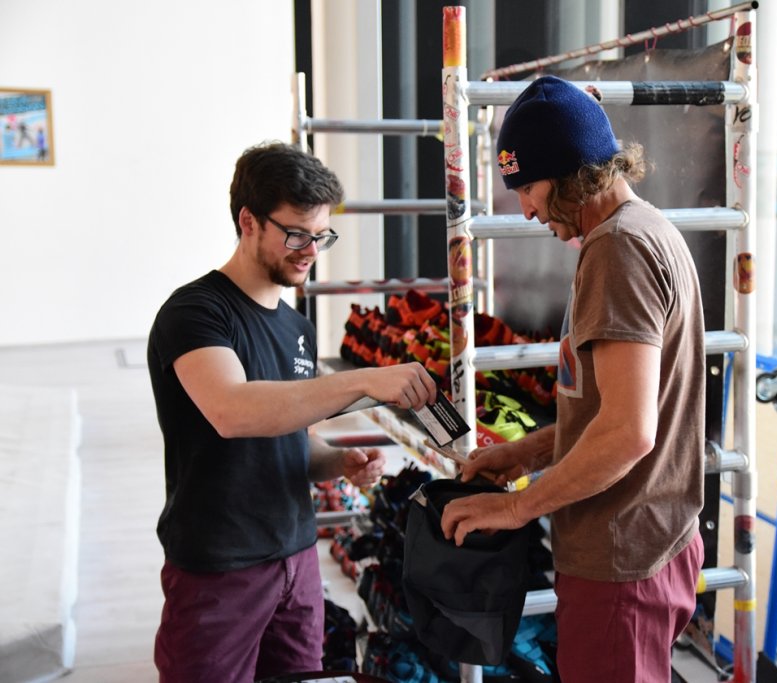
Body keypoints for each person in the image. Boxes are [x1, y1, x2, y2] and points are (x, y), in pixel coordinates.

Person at [441, 76, 707, 682]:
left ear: (568, 173)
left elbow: (627, 434)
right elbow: (618, 409)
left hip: (623, 559)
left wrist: (518, 510)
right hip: (642, 542)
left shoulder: (619, 251)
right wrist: (527, 452)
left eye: (528, 187)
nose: (526, 209)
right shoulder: (644, 229)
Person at [147, 141, 436, 683]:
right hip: (219, 566)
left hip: (297, 560)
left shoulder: (296, 329)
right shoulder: (194, 313)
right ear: (248, 221)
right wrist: (365, 381)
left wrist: (338, 462)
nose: (311, 250)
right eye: (297, 234)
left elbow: (290, 440)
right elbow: (233, 411)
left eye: (321, 235)